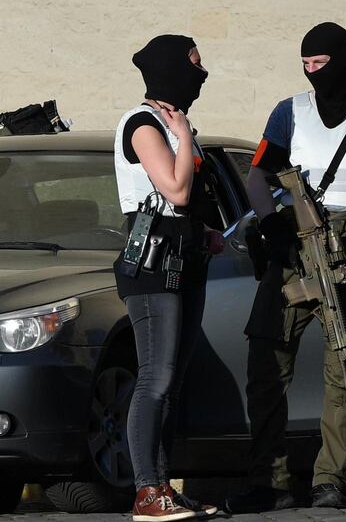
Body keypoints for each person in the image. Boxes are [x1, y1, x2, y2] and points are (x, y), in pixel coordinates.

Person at [224, 22, 346, 513]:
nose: (313, 73)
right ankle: (268, 480)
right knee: (267, 362)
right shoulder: (289, 112)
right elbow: (258, 175)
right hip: (295, 238)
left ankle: (330, 479)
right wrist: (271, 225)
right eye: (306, 64)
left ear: (342, 60)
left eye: (320, 63)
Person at [113, 34, 224, 522]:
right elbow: (175, 190)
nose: (201, 74)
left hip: (184, 260)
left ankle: (163, 486)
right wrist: (180, 138)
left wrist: (206, 230)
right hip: (152, 266)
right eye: (194, 65)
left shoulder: (177, 123)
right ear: (169, 70)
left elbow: (187, 206)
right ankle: (144, 491)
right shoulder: (143, 124)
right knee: (153, 380)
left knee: (172, 383)